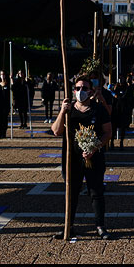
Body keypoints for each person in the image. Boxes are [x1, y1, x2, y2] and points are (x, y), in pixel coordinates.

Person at [51, 74, 113, 240]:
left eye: (84, 88)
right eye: (77, 88)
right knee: (71, 192)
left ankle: (100, 226)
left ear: (91, 91)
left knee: (96, 192)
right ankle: (68, 226)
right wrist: (63, 111)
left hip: (94, 157)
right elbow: (56, 131)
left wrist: (94, 147)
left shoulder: (98, 109)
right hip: (72, 158)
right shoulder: (68, 110)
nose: (80, 91)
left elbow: (108, 133)